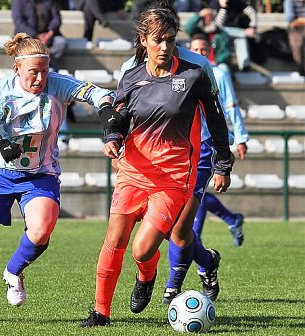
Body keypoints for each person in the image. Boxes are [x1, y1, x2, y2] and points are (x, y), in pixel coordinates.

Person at [0, 32, 115, 325]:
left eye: (44, 70)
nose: (40, 78)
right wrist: (1, 145)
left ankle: (13, 270)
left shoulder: (56, 84)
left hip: (40, 173)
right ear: (16, 69)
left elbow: (96, 92)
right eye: (33, 72)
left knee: (42, 229)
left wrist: (105, 107)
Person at [80, 2, 233, 327]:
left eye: (170, 39)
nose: (164, 46)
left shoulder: (193, 76)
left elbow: (217, 120)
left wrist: (222, 163)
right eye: (158, 39)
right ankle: (101, 313)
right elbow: (120, 116)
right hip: (133, 172)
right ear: (143, 40)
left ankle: (146, 274)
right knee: (114, 240)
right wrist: (112, 137)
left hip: (173, 178)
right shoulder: (132, 76)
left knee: (143, 248)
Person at [189, 34, 248, 251]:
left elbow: (231, 106)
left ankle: (195, 240)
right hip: (192, 142)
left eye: (204, 49)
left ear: (210, 50)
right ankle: (232, 220)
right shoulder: (185, 74)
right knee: (197, 190)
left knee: (196, 190)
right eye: (196, 49)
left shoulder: (219, 74)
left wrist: (241, 138)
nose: (200, 53)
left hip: (213, 141)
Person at [11, 0, 67, 65]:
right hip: (26, 36)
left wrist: (50, 32)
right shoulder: (19, 2)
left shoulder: (51, 1)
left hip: (48, 37)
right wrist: (36, 35)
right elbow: (19, 22)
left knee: (60, 42)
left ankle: (45, 62)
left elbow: (56, 18)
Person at [210, 0, 258, 71]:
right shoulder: (214, 3)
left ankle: (244, 66)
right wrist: (223, 8)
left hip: (236, 32)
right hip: (221, 33)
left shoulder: (237, 2)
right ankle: (243, 33)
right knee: (227, 32)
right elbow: (218, 26)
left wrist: (253, 26)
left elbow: (252, 13)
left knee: (242, 40)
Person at [184, 7, 233, 73]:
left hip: (217, 63)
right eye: (205, 17)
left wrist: (216, 61)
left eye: (210, 16)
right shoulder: (197, 32)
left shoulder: (222, 34)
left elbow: (226, 53)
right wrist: (199, 15)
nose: (208, 19)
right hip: (198, 60)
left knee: (224, 69)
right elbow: (188, 28)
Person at [284, 0, 305, 76]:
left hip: (300, 26)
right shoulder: (290, 1)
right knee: (297, 42)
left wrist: (300, 20)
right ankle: (301, 69)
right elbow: (290, 19)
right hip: (296, 29)